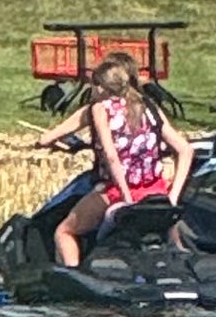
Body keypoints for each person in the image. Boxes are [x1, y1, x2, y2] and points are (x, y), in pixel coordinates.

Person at [34, 53, 193, 268]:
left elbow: (111, 156)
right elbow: (185, 149)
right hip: (156, 191)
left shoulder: (98, 109)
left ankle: (73, 276)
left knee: (65, 230)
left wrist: (125, 196)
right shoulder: (148, 106)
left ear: (100, 86)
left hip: (118, 191)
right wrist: (172, 196)